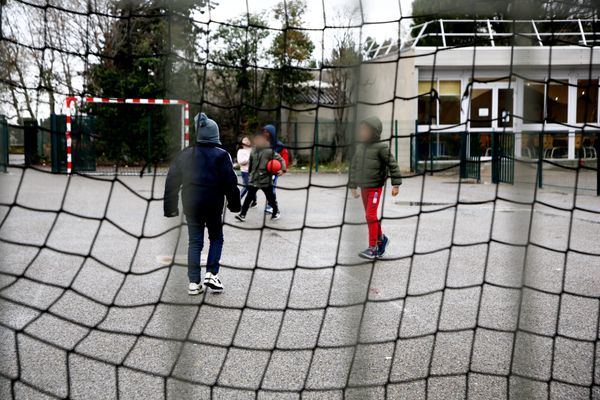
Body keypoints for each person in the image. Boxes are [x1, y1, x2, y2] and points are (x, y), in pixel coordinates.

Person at [164, 112, 241, 295]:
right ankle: (212, 273)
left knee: (194, 241)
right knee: (216, 237)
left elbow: (172, 181)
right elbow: (230, 183)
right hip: (213, 204)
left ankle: (193, 282)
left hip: (191, 204)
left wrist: (170, 207)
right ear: (215, 135)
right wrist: (234, 205)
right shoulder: (222, 155)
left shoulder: (185, 155)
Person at [348, 116, 402, 260]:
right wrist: (352, 185)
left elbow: (393, 165)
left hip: (375, 189)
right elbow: (353, 167)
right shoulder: (359, 147)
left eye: (365, 130)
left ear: (374, 132)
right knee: (370, 216)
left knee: (370, 216)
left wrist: (395, 184)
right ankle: (382, 239)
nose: (362, 132)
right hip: (364, 188)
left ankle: (373, 247)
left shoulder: (382, 147)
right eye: (361, 129)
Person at [235, 131, 286, 222]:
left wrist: (282, 169)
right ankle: (242, 215)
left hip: (265, 180)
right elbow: (251, 165)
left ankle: (276, 211)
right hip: (254, 179)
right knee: (248, 198)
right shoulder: (253, 151)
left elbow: (280, 159)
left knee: (270, 198)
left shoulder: (269, 151)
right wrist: (250, 174)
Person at [261, 124, 289, 213]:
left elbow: (284, 158)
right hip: (264, 170)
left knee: (271, 189)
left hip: (274, 170)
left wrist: (283, 169)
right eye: (264, 131)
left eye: (267, 132)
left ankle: (272, 206)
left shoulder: (279, 145)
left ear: (271, 133)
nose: (265, 133)